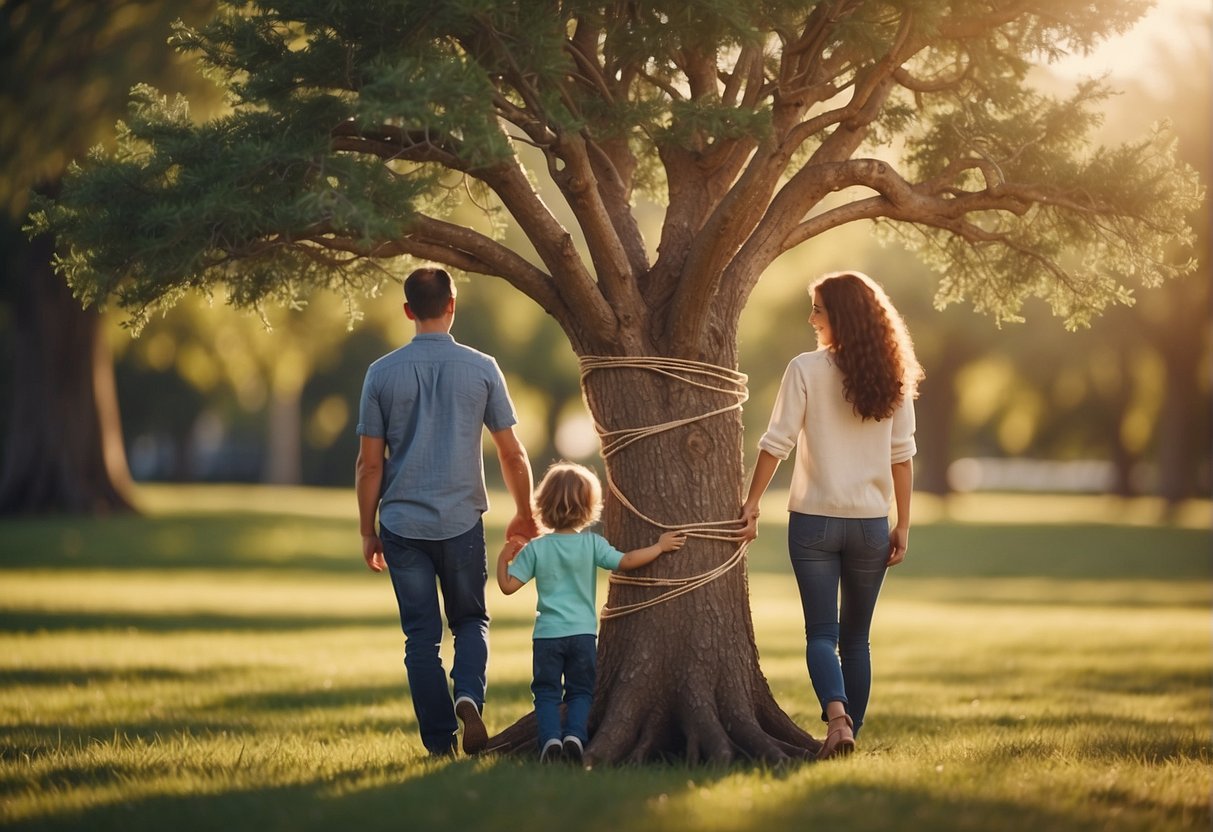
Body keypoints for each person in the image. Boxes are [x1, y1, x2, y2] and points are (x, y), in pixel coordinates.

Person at [356, 265, 539, 758]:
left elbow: (369, 465)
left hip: (401, 524)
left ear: (408, 311)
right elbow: (513, 452)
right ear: (452, 305)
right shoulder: (482, 368)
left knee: (420, 637)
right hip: (461, 522)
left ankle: (439, 743)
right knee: (470, 620)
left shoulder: (380, 374)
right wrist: (524, 511)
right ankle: (468, 695)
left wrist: (367, 530)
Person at [740, 270, 923, 760]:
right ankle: (848, 734)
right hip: (869, 525)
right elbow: (902, 457)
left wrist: (752, 501)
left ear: (840, 315)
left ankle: (837, 721)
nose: (810, 318)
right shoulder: (896, 378)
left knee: (821, 634)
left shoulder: (805, 369)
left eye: (817, 308)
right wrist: (902, 523)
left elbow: (776, 442)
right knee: (856, 640)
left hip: (813, 523)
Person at [496, 461, 687, 764]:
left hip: (547, 636)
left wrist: (503, 560)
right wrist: (660, 547)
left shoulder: (536, 549)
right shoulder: (592, 544)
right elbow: (626, 561)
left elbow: (507, 587)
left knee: (546, 693)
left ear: (541, 505)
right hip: (582, 635)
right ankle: (574, 735)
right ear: (588, 508)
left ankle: (549, 741)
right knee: (581, 692)